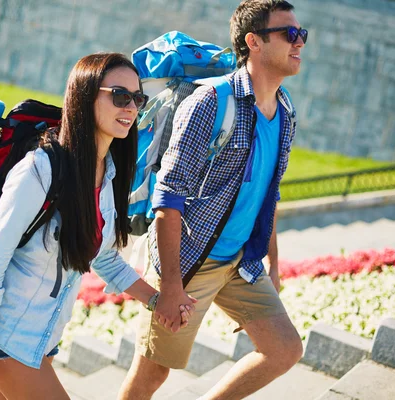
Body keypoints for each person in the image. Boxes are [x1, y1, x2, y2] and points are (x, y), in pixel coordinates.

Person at [0, 52, 195, 400]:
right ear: (85, 95)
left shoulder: (108, 171)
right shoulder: (38, 170)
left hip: (43, 339)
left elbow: (105, 258)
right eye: (119, 96)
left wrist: (157, 300)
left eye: (137, 99)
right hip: (8, 339)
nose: (130, 107)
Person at [119, 1, 307, 399]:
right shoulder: (210, 103)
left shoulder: (286, 110)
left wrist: (271, 260)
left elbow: (267, 192)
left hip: (241, 263)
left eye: (302, 34)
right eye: (289, 34)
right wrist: (170, 286)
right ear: (254, 42)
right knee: (151, 375)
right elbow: (167, 198)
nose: (300, 43)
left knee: (284, 350)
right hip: (188, 265)